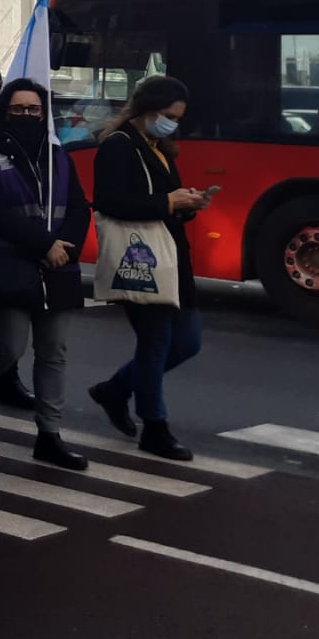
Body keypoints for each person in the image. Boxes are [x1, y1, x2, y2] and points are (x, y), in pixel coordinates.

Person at [0, 79, 92, 470]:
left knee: (54, 352)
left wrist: (65, 248)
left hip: (57, 268)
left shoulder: (57, 153)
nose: (26, 115)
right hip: (11, 265)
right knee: (9, 347)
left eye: (34, 109)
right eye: (18, 109)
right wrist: (44, 245)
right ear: (4, 111)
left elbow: (79, 206)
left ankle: (49, 435)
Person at [87, 76, 208, 461]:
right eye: (170, 115)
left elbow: (165, 202)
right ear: (149, 109)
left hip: (172, 258)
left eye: (179, 118)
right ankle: (154, 427)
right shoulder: (119, 145)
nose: (173, 123)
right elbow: (109, 202)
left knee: (187, 341)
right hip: (141, 259)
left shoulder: (161, 147)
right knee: (155, 344)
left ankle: (115, 389)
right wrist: (169, 203)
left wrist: (188, 204)